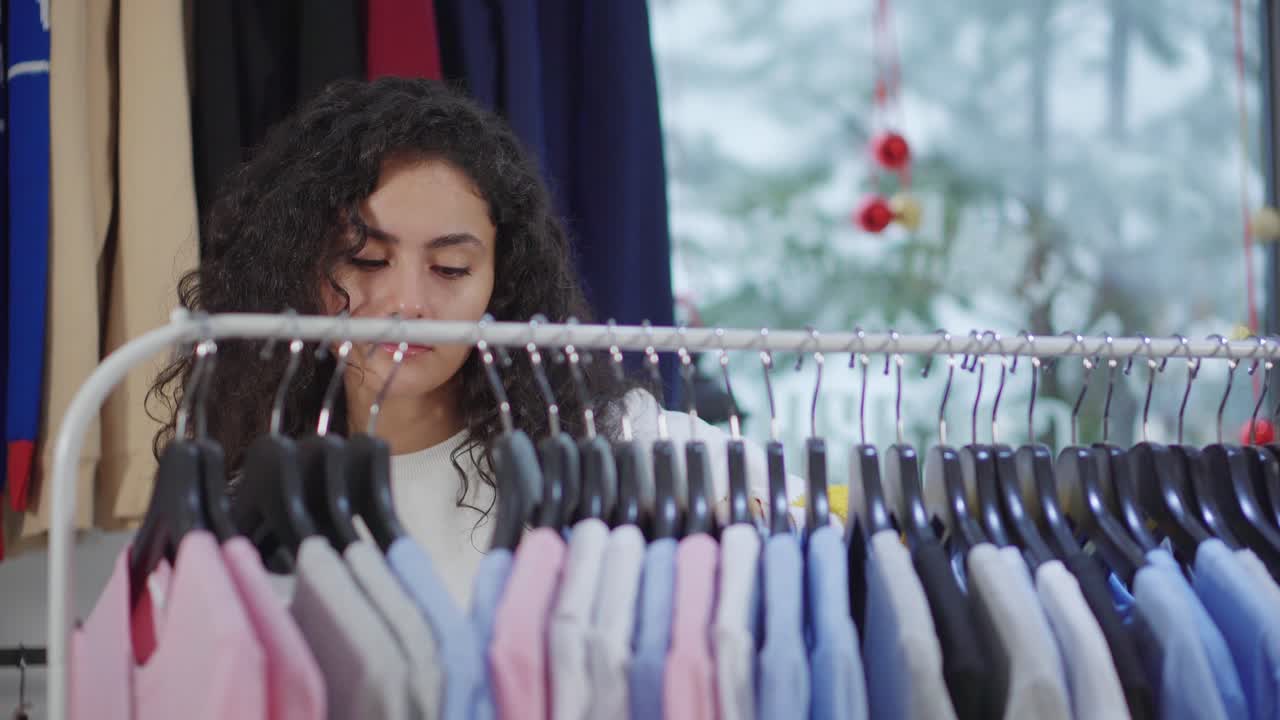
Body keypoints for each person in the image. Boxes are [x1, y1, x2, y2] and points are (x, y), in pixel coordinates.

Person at [150, 77, 795, 604]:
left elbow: (803, 503)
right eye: (367, 261)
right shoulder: (245, 508)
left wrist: (755, 526)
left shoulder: (609, 438)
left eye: (451, 269)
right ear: (299, 269)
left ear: (500, 280)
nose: (408, 304)